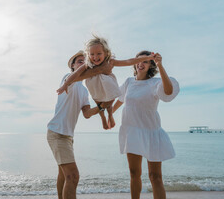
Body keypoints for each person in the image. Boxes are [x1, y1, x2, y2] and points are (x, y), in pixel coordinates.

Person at [112, 51, 180, 199]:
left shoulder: (155, 83)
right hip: (131, 131)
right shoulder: (129, 82)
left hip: (151, 132)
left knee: (155, 176)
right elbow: (120, 100)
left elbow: (168, 92)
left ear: (151, 65)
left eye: (146, 61)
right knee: (134, 173)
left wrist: (161, 65)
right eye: (139, 60)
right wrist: (108, 116)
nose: (141, 63)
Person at [47, 50, 112, 199]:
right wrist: (101, 66)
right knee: (73, 176)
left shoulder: (84, 90)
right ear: (72, 66)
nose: (84, 63)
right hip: (56, 133)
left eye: (85, 61)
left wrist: (102, 106)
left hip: (68, 136)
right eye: (80, 61)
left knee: (64, 175)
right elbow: (80, 74)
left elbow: (87, 113)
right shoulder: (68, 79)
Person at [57, 35, 155, 130]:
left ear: (106, 53)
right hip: (95, 87)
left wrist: (147, 58)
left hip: (107, 85)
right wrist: (65, 84)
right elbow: (76, 74)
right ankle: (103, 117)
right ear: (88, 55)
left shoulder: (110, 62)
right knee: (99, 101)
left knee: (109, 101)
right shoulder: (88, 64)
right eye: (92, 54)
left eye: (99, 53)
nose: (95, 57)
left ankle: (110, 115)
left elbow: (129, 61)